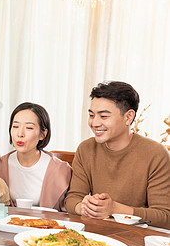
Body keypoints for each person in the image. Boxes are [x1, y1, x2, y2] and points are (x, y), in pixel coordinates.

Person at [64, 81, 170, 228]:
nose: (94, 123)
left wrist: (114, 209)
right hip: (95, 234)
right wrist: (85, 206)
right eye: (91, 115)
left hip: (138, 239)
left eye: (104, 116)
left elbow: (164, 217)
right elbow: (72, 199)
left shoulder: (156, 154)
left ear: (128, 117)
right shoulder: (86, 149)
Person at [0, 102, 72, 210]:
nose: (20, 134)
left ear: (43, 134)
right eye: (15, 126)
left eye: (29, 128)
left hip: (48, 225)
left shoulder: (60, 170)